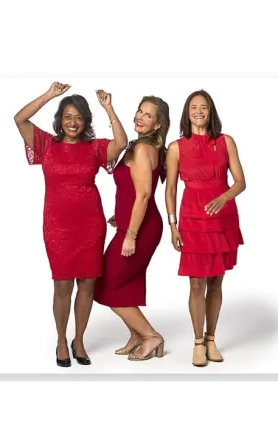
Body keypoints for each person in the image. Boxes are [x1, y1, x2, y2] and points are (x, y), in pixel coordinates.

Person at [14, 82, 127, 367]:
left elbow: (122, 143)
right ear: (59, 120)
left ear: (86, 121)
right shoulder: (46, 144)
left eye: (78, 117)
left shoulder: (94, 147)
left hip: (90, 225)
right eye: (67, 116)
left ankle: (79, 339)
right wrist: (51, 95)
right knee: (62, 284)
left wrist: (109, 107)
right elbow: (20, 119)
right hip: (57, 226)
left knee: (87, 284)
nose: (72, 122)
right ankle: (62, 340)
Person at [165, 89, 246, 367]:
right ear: (187, 113)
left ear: (211, 112)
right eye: (193, 108)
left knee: (216, 280)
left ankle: (212, 339)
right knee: (196, 281)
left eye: (204, 107)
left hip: (222, 217)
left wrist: (223, 197)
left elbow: (240, 182)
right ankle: (198, 343)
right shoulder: (176, 147)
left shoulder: (226, 142)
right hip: (191, 217)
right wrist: (172, 224)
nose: (198, 112)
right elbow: (171, 188)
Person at [94, 96, 170, 361]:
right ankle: (137, 335)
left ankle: (151, 336)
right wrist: (123, 216)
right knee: (126, 284)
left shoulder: (142, 150)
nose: (140, 116)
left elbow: (144, 196)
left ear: (158, 124)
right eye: (140, 110)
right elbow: (132, 190)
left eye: (148, 115)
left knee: (106, 282)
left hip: (142, 228)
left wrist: (131, 234)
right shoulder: (143, 147)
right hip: (134, 223)